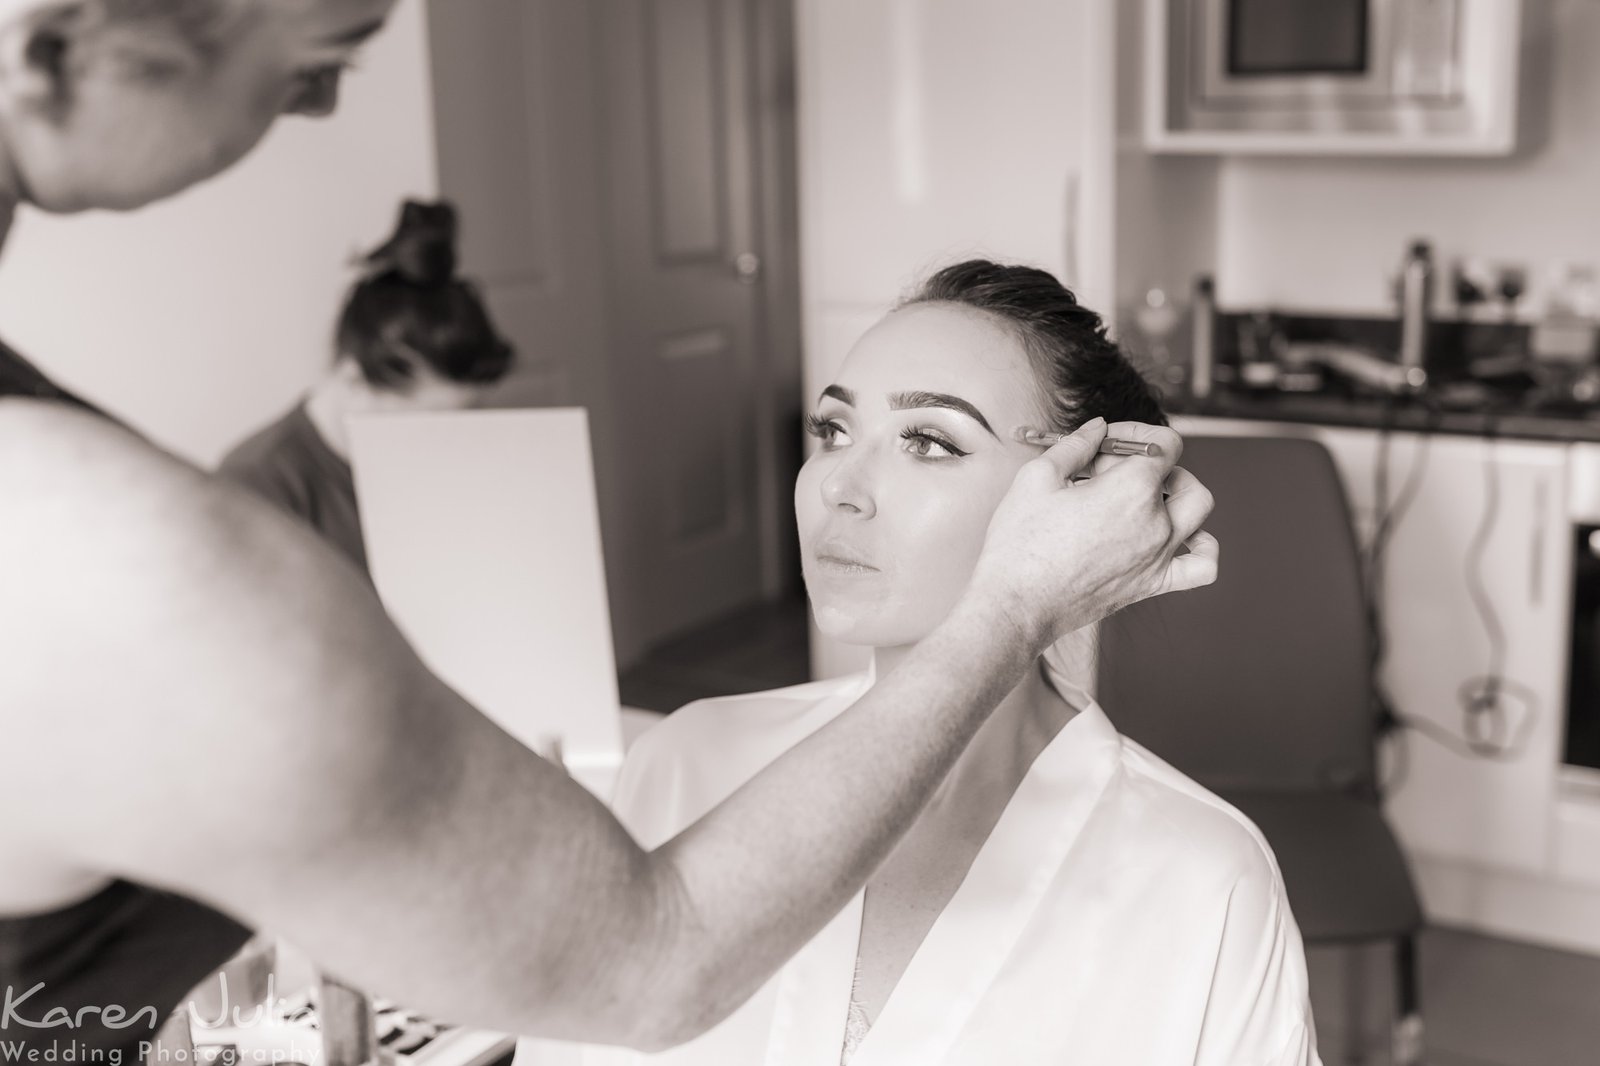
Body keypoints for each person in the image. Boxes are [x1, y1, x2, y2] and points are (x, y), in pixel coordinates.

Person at [0, 1, 1218, 1061]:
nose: (316, 104)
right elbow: (653, 958)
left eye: (934, 441)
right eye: (325, 50)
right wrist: (1011, 608)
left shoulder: (1200, 881)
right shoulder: (119, 560)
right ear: (49, 39)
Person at [584, 262, 1317, 1066]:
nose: (839, 487)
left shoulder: (1203, 882)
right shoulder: (682, 766)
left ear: (1087, 502)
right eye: (832, 432)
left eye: (928, 442)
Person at [219, 198, 512, 573]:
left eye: (472, 413)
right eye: (432, 422)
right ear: (354, 380)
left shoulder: (456, 464)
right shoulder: (259, 484)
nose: (460, 439)